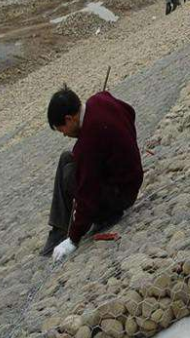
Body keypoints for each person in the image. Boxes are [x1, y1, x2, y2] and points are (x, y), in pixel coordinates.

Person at [41, 86, 143, 261]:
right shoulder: (100, 99)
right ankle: (59, 229)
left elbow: (87, 194)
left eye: (62, 129)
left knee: (70, 175)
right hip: (130, 180)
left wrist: (73, 239)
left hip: (121, 196)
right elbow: (129, 112)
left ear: (69, 119)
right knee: (66, 158)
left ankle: (100, 219)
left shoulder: (88, 142)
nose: (64, 135)